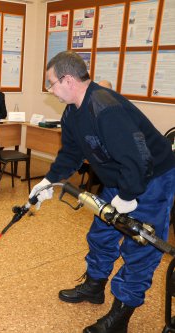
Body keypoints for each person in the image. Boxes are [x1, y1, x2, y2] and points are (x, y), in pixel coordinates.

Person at [30, 51, 175, 332]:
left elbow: (139, 159)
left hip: (151, 179)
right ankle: (94, 286)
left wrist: (129, 196)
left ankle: (119, 317)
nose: (50, 90)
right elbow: (71, 152)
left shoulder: (106, 108)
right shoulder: (72, 111)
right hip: (119, 177)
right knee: (101, 232)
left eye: (51, 83)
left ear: (68, 79)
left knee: (139, 247)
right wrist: (49, 180)